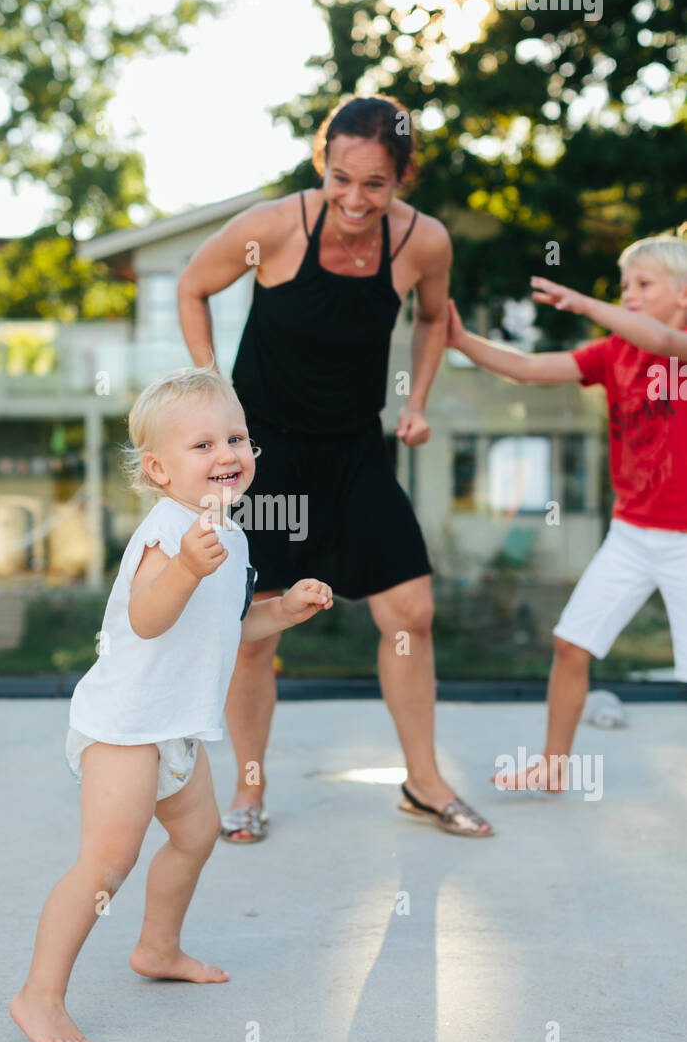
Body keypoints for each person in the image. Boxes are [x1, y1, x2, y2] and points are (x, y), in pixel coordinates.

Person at [177, 95, 493, 841]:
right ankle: (248, 793)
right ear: (323, 163)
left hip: (355, 450)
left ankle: (423, 781)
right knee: (258, 629)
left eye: (375, 184)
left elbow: (431, 318)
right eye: (340, 178)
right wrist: (212, 389)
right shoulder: (272, 228)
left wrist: (417, 398)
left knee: (410, 612)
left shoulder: (425, 243)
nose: (354, 200)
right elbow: (192, 286)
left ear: (402, 177)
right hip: (266, 458)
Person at [10, 367, 333, 1042]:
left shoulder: (228, 534)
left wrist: (284, 611)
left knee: (196, 835)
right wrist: (186, 566)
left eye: (236, 438)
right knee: (105, 862)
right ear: (158, 470)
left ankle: (157, 947)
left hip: (177, 729)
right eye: (203, 445)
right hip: (126, 727)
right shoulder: (169, 532)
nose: (226, 454)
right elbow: (152, 618)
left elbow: (228, 626)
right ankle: (39, 993)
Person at [447, 231, 687, 792]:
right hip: (630, 534)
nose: (629, 294)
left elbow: (659, 336)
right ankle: (554, 767)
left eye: (643, 284)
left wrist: (582, 302)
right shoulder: (613, 353)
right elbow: (528, 368)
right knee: (570, 643)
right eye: (624, 284)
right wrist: (462, 341)